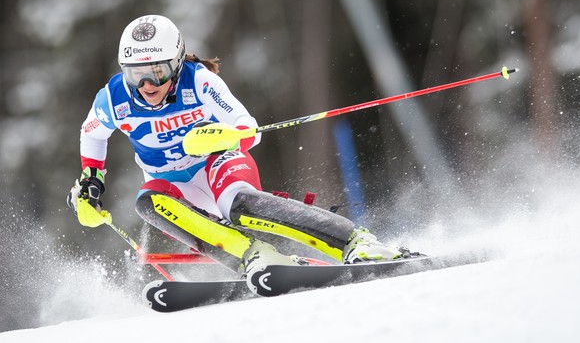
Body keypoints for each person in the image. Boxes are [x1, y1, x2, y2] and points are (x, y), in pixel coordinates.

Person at [67, 14, 411, 276]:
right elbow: (92, 134)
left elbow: (249, 128)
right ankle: (255, 257)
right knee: (147, 202)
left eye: (155, 72)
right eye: (134, 73)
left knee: (236, 203)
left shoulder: (199, 80)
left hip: (217, 165)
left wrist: (222, 136)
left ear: (175, 63)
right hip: (175, 186)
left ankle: (355, 242)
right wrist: (91, 182)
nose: (145, 84)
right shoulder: (113, 99)